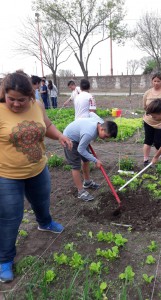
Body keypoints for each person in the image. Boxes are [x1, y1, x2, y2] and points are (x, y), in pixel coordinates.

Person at [0, 72, 72, 283]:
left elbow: (47, 126)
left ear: (30, 96)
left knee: (42, 200)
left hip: (38, 168)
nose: (15, 103)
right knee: (11, 217)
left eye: (21, 100)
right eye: (11, 98)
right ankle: (4, 259)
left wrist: (60, 135)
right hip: (8, 175)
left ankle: (45, 222)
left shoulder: (37, 105)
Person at [63, 116, 118, 201]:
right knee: (76, 166)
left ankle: (87, 182)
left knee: (86, 159)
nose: (105, 139)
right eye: (106, 136)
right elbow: (80, 150)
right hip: (69, 139)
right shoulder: (89, 133)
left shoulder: (100, 123)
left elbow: (92, 114)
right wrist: (96, 160)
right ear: (102, 129)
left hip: (80, 137)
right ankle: (81, 192)